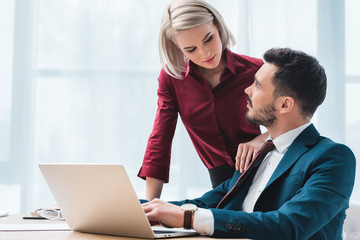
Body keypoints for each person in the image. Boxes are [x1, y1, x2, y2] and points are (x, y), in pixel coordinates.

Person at [141, 48, 356, 239]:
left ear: (284, 104)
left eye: (257, 85)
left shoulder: (333, 158)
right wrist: (138, 208)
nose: (247, 90)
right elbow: (208, 203)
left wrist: (187, 218)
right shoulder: (258, 153)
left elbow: (289, 226)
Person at [138, 0, 268, 200]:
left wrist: (260, 140)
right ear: (177, 47)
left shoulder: (256, 70)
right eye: (191, 49)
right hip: (222, 182)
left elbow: (293, 122)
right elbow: (160, 140)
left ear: (217, 25)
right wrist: (150, 204)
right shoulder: (172, 79)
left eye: (208, 39)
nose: (205, 53)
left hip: (266, 170)